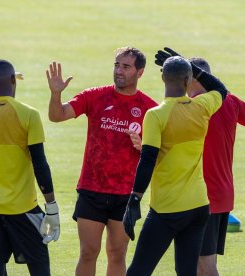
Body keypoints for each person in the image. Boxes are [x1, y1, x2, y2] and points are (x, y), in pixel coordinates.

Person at [46, 47, 157, 276]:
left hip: (126, 194)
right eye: (116, 65)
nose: (119, 71)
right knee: (88, 252)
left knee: (117, 253)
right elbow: (57, 116)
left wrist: (143, 146)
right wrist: (56, 94)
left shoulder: (150, 109)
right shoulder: (95, 96)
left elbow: (162, 151)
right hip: (91, 189)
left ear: (140, 72)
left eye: (126, 67)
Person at [123, 48, 228, 276]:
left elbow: (148, 158)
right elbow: (221, 89)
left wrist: (134, 200)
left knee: (138, 271)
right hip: (199, 206)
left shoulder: (156, 115)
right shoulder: (202, 107)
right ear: (188, 80)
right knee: (186, 272)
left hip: (166, 209)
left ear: (162, 77)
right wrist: (196, 71)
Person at [0, 59, 60, 276]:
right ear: (13, 82)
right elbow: (40, 163)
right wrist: (51, 205)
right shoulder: (28, 114)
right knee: (39, 266)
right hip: (22, 208)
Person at [186, 58, 245, 276]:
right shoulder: (230, 101)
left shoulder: (191, 107)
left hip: (202, 197)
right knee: (200, 265)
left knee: (204, 267)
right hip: (220, 196)